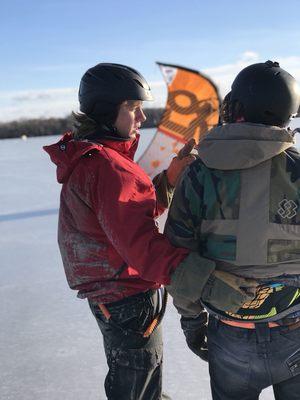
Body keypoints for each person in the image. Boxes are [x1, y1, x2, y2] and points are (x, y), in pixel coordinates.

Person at [44, 63, 257, 400]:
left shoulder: (91, 158)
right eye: (133, 108)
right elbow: (143, 247)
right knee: (137, 388)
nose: (142, 118)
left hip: (111, 297)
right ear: (105, 111)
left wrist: (169, 179)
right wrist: (208, 282)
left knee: (140, 384)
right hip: (127, 299)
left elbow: (123, 218)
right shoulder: (109, 167)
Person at [165, 60, 300, 400]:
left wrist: (192, 323)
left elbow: (178, 258)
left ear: (234, 106)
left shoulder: (198, 173)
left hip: (230, 336)